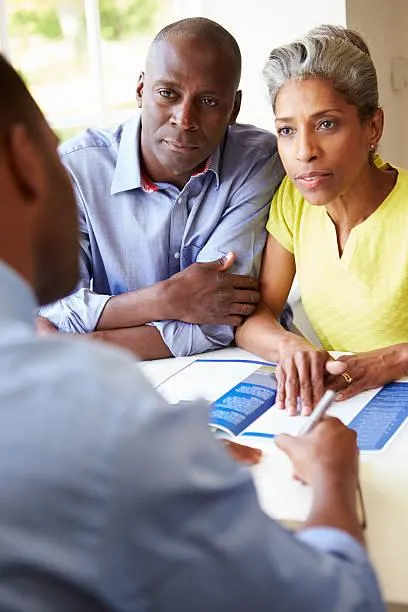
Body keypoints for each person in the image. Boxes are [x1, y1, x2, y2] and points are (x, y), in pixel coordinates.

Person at [0, 53, 385, 612]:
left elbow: (224, 312)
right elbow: (338, 600)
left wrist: (155, 451)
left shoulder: (259, 164)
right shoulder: (90, 409)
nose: (183, 119)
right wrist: (332, 478)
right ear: (25, 164)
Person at [37, 17, 287, 360]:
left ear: (234, 108)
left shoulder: (258, 161)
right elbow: (53, 310)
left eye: (209, 101)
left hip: (239, 367)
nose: (185, 119)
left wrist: (88, 346)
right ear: (141, 90)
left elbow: (222, 319)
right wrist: (167, 298)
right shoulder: (76, 170)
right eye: (168, 93)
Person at [236, 24, 408, 415]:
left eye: (326, 124)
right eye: (286, 130)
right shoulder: (293, 203)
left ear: (373, 127)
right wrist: (289, 346)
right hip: (350, 407)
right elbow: (256, 315)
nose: (304, 151)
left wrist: (396, 359)